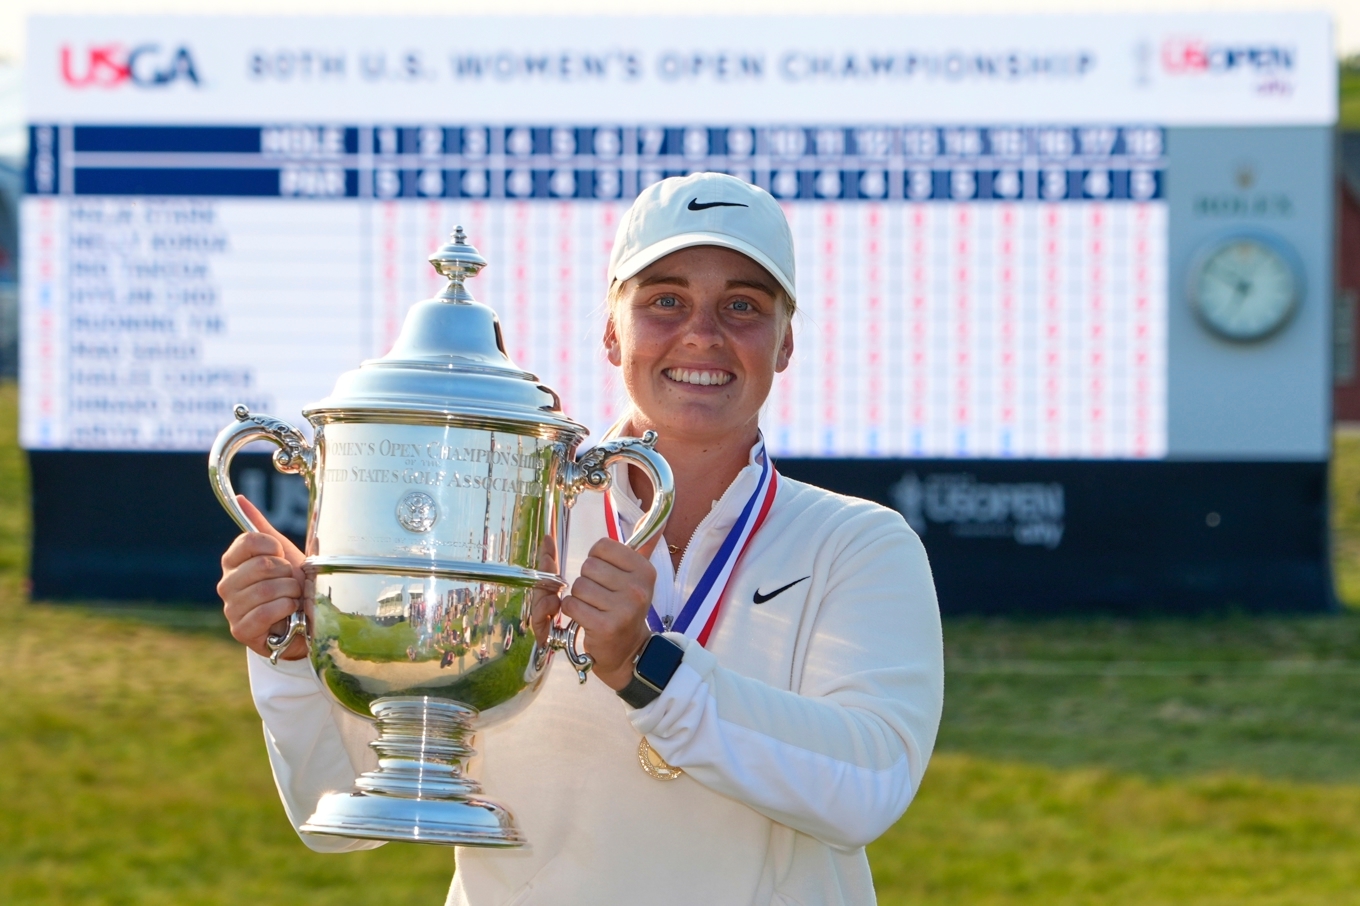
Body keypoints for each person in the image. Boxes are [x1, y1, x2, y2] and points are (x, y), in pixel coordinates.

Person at [218, 172, 944, 905]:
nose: (702, 332)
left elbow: (868, 786)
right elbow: (337, 813)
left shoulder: (860, 545)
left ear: (785, 343)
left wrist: (645, 667)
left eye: (743, 306)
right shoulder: (503, 525)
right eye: (665, 300)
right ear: (609, 331)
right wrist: (288, 654)